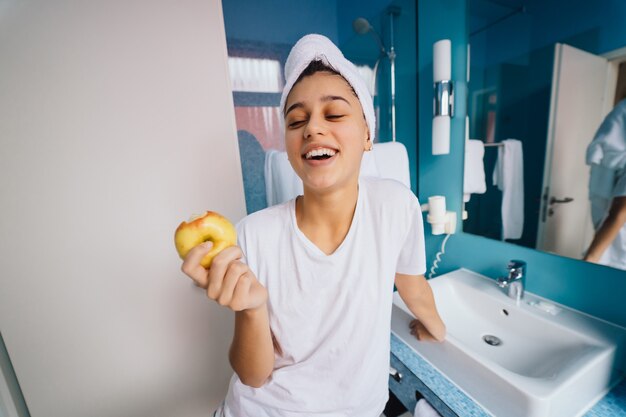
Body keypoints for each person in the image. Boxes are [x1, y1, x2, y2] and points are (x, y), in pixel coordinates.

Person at [181, 34, 446, 417]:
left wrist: (437, 329)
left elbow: (413, 287)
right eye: (296, 120)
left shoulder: (395, 206)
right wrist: (251, 309)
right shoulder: (253, 236)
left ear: (368, 134)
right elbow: (254, 377)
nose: (312, 129)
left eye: (334, 114)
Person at [584, 98, 626, 270]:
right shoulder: (618, 160)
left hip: (618, 258)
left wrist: (588, 261)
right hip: (611, 253)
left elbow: (619, 214)